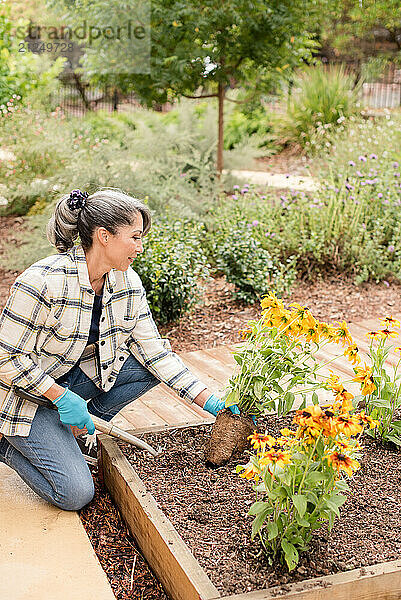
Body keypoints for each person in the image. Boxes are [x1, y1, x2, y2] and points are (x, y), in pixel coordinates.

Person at [0, 188, 238, 511]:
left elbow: (156, 353)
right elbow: (7, 359)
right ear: (104, 237)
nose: (140, 248)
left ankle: (74, 430)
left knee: (146, 368)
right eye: (135, 237)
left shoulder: (127, 283)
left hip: (68, 378)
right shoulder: (43, 282)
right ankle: (6, 446)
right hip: (22, 395)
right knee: (76, 493)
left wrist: (208, 400)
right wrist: (59, 396)